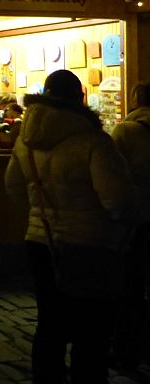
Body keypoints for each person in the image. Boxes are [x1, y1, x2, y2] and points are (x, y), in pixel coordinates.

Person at [5, 69, 136, 384]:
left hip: (40, 240)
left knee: (49, 321)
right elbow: (117, 198)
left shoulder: (26, 141)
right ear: (80, 99)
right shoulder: (94, 141)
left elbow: (13, 187)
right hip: (91, 244)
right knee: (92, 328)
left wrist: (41, 214)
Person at [110, 81, 150, 368]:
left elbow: (113, 173)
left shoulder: (126, 131)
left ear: (137, 100)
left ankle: (127, 349)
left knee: (131, 285)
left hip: (138, 217)